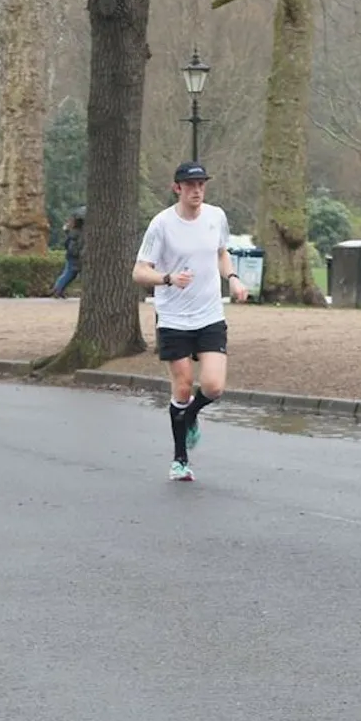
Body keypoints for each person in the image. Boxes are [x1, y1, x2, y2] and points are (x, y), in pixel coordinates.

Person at [132, 161, 250, 482]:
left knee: (213, 386)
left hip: (209, 314)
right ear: (177, 188)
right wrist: (168, 278)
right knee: (183, 385)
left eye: (201, 185)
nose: (197, 190)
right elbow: (140, 271)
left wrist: (234, 279)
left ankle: (192, 416)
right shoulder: (161, 225)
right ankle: (179, 459)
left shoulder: (216, 217)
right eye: (190, 185)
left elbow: (222, 252)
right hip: (173, 317)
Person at [52, 214, 83, 299]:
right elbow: (78, 245)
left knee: (69, 273)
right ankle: (57, 290)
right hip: (75, 256)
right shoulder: (78, 233)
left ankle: (59, 289)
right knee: (69, 273)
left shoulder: (72, 232)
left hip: (70, 255)